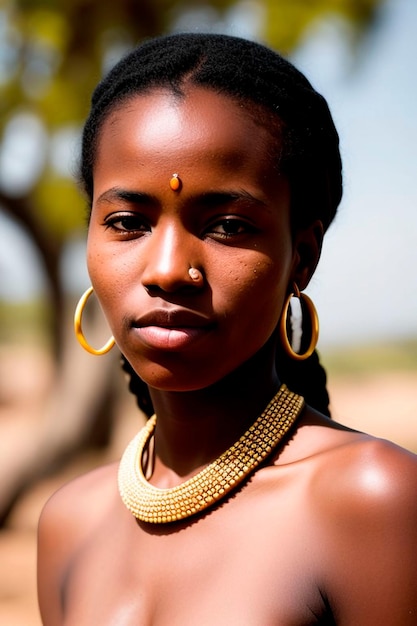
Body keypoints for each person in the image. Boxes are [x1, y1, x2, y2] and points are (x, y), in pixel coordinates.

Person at [37, 32, 417, 625]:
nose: (168, 271)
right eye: (127, 222)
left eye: (229, 226)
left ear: (302, 258)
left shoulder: (376, 501)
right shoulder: (68, 522)